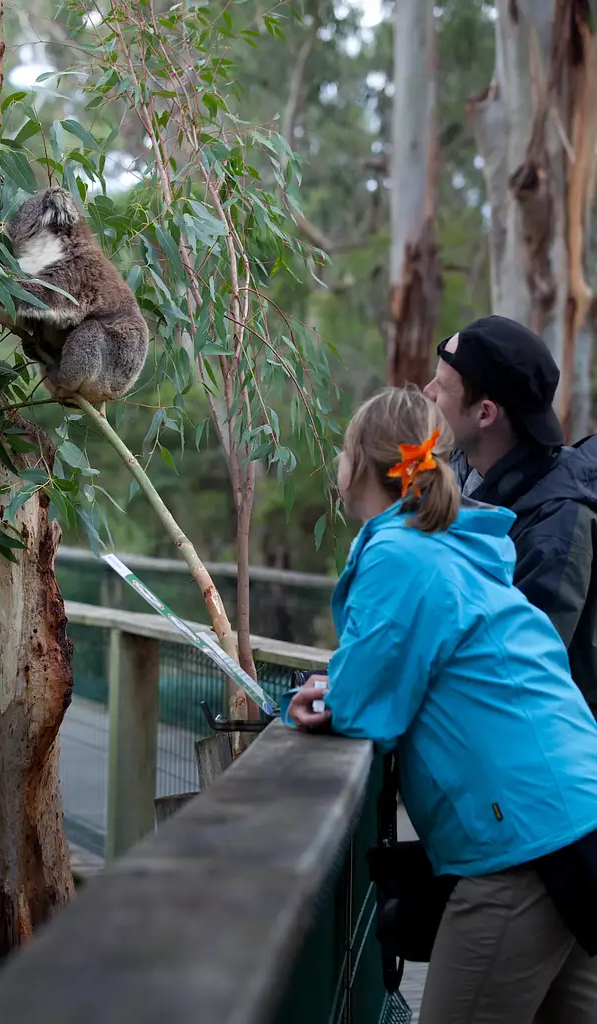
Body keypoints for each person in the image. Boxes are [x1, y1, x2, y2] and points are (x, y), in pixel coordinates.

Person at [285, 387, 597, 1024]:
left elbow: (371, 705)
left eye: (342, 454)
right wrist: (344, 684)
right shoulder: (453, 547)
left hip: (522, 842)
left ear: (362, 466)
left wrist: (327, 695)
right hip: (575, 814)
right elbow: (403, 663)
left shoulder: (400, 553)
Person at [423, 315, 597, 715]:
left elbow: (509, 675)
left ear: (485, 414)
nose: (429, 393)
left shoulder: (556, 527)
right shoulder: (470, 473)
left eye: (443, 387)